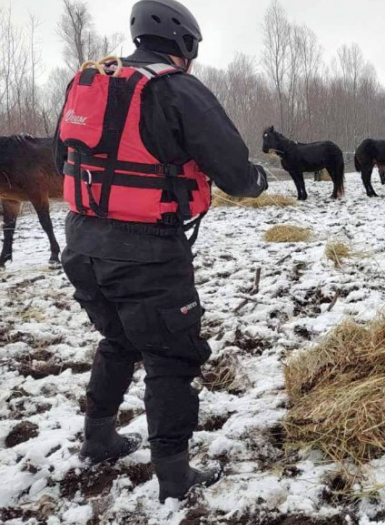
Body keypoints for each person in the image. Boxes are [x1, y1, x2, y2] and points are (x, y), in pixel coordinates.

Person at [54, 0, 268, 502]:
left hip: (82, 243)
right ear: (185, 45)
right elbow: (236, 173)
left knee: (119, 340)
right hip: (146, 252)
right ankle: (175, 477)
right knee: (171, 354)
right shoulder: (175, 88)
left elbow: (62, 155)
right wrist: (255, 180)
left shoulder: (91, 82)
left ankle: (99, 438)